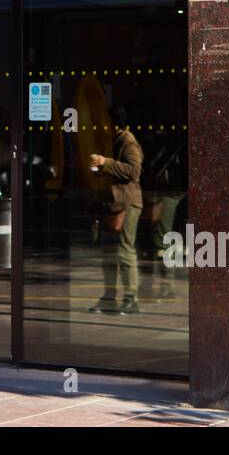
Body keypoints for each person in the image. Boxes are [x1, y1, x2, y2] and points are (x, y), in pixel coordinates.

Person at [87, 112, 144, 316]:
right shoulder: (114, 140)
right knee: (109, 252)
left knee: (124, 250)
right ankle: (109, 297)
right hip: (114, 202)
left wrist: (106, 162)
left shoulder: (128, 143)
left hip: (127, 203)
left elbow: (133, 171)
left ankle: (131, 298)